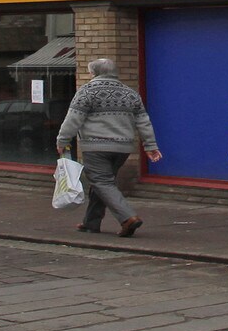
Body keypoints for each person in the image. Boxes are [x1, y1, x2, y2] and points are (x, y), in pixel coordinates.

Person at [55, 57, 161, 238]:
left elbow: (73, 119)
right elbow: (143, 122)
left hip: (96, 146)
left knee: (102, 182)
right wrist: (150, 145)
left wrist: (62, 140)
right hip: (123, 148)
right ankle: (91, 223)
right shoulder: (130, 93)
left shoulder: (87, 91)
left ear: (94, 72)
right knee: (103, 183)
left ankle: (128, 218)